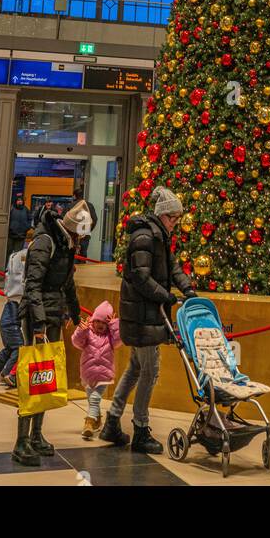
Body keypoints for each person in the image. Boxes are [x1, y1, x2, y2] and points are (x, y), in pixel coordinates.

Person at [100, 186, 196, 454]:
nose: (176, 224)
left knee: (135, 369)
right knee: (150, 372)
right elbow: (141, 277)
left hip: (146, 314)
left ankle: (112, 422)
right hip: (143, 316)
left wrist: (187, 289)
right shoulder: (145, 236)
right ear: (163, 215)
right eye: (173, 218)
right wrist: (165, 296)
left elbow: (172, 266)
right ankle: (140, 429)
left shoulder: (160, 235)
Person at [11, 198, 89, 466]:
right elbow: (32, 285)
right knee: (33, 378)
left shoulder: (67, 245)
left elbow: (67, 283)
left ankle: (37, 435)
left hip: (53, 315)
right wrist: (39, 325)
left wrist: (76, 314)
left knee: (46, 377)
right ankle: (21, 442)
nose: (83, 239)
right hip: (38, 318)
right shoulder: (46, 242)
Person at [71, 299, 120, 439]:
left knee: (94, 399)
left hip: (104, 375)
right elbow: (76, 342)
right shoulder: (87, 332)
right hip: (88, 373)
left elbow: (118, 341)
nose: (100, 325)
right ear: (93, 320)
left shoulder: (110, 337)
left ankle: (89, 422)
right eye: (98, 321)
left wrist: (114, 325)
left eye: (105, 323)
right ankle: (97, 419)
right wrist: (81, 330)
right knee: (91, 398)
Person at [0, 244, 27, 384]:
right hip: (12, 323)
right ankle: (7, 373)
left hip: (6, 321)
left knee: (11, 347)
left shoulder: (14, 256)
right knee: (20, 348)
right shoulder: (27, 256)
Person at [7, 195, 32, 261]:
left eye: (21, 200)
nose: (20, 202)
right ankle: (6, 267)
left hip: (21, 235)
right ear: (15, 201)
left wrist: (27, 227)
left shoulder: (26, 209)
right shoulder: (11, 208)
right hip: (11, 235)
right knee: (8, 252)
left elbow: (30, 219)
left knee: (18, 254)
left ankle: (15, 268)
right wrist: (10, 228)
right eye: (18, 200)